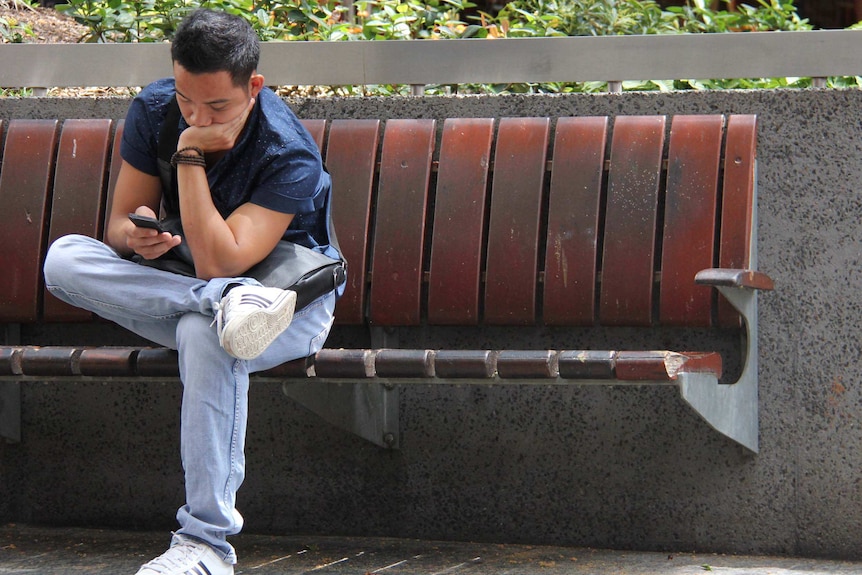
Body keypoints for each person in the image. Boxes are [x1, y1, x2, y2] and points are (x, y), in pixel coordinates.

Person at [42, 8, 342, 575]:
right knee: (64, 259)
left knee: (206, 338)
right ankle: (226, 303)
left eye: (217, 106)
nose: (197, 115)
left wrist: (187, 151)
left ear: (253, 86)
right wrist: (138, 235)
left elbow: (217, 258)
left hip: (287, 306)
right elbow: (116, 229)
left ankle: (205, 545)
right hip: (191, 289)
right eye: (186, 100)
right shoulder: (154, 106)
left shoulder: (288, 152)